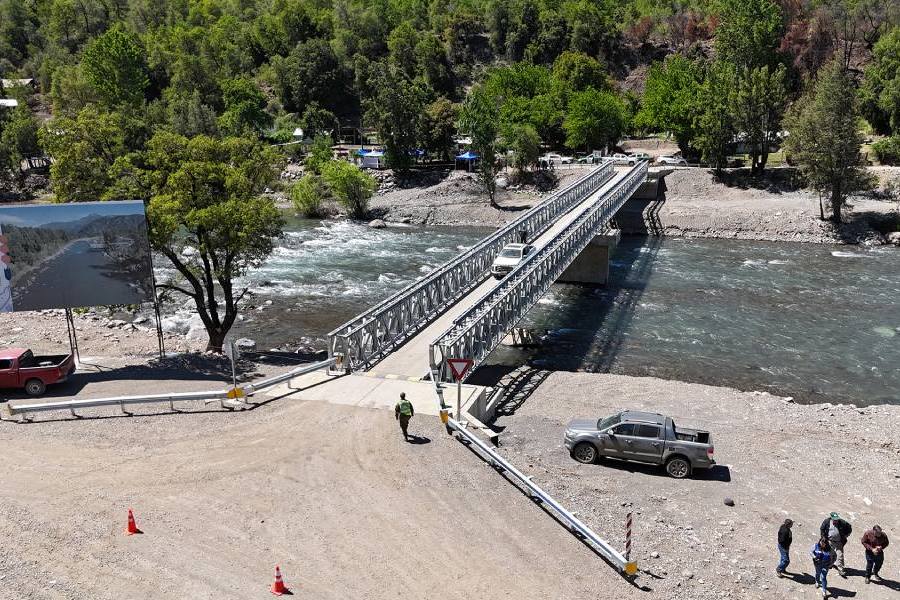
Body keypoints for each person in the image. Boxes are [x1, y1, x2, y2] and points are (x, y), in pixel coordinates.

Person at [820, 512, 852, 576]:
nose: (836, 521)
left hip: (839, 542)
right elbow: (822, 529)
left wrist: (846, 535)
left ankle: (841, 569)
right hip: (830, 541)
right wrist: (823, 537)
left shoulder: (842, 522)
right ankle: (830, 564)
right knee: (830, 554)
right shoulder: (827, 521)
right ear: (831, 518)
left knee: (840, 555)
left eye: (837, 519)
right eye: (834, 520)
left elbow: (849, 528)